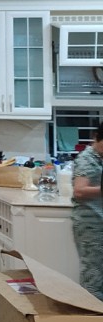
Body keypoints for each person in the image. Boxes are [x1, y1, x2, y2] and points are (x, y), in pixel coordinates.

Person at [70, 123, 103, 299]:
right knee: (93, 273)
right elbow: (79, 191)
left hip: (100, 220)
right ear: (96, 138)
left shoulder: (100, 158)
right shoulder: (86, 159)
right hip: (91, 225)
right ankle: (91, 312)